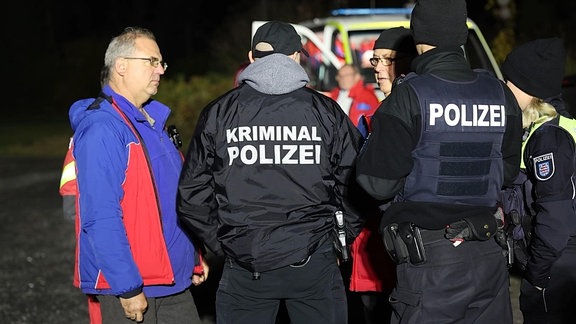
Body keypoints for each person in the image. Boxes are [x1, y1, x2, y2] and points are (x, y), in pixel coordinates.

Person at [177, 21, 365, 324]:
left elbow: (191, 194)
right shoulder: (326, 111)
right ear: (296, 57)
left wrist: (223, 242)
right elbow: (358, 181)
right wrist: (337, 238)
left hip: (245, 263)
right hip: (314, 260)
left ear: (252, 58)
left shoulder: (219, 112)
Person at [355, 0, 524, 323]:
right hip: (489, 254)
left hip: (431, 260)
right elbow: (506, 172)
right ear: (461, 34)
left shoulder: (408, 96)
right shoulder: (500, 94)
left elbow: (377, 184)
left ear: (417, 36)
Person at [67, 26, 208, 323]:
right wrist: (127, 286)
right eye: (152, 62)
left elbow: (173, 200)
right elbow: (100, 215)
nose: (160, 70)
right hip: (133, 286)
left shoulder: (153, 124)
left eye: (161, 63)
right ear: (122, 66)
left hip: (173, 281)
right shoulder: (103, 128)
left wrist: (194, 257)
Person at [501, 37, 576, 324]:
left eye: (509, 81)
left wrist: (537, 275)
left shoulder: (548, 139)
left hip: (558, 271)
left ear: (529, 90)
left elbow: (555, 221)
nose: (505, 87)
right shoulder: (544, 130)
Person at [346, 26, 418, 324]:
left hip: (402, 247)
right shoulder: (376, 114)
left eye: (386, 60)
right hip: (374, 247)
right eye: (375, 61)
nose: (377, 69)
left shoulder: (406, 114)